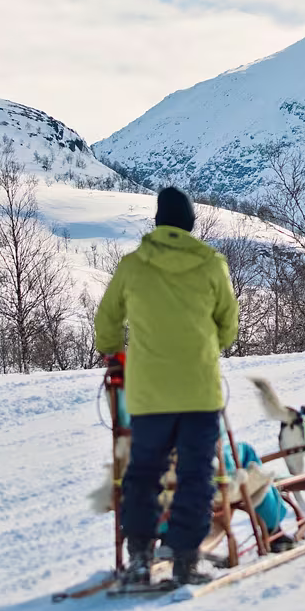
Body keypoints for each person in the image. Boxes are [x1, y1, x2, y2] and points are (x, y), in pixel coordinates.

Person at [95, 186, 241, 587]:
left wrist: (114, 353)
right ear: (191, 223)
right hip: (199, 391)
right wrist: (206, 347)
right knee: (196, 475)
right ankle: (184, 559)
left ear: (157, 223)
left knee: (143, 473)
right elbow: (229, 325)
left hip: (148, 396)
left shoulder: (133, 266)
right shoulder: (212, 264)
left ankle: (140, 557)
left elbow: (106, 322)